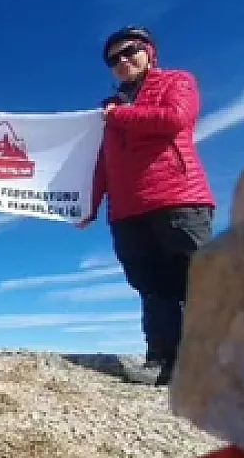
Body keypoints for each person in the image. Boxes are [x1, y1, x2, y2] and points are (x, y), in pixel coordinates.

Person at [77, 26, 216, 386]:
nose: (122, 61)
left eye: (130, 52)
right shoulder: (110, 110)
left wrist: (118, 116)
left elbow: (175, 119)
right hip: (128, 211)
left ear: (150, 52)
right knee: (152, 288)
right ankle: (162, 361)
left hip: (179, 199)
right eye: (113, 59)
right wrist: (89, 206)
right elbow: (103, 163)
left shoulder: (176, 82)